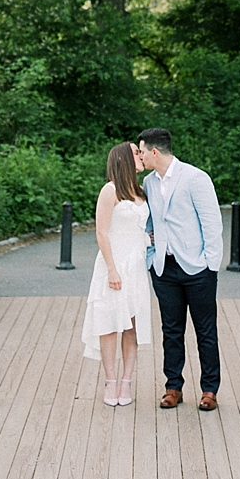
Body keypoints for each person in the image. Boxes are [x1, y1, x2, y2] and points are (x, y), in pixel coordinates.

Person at [138, 127, 223, 411]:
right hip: (164, 269)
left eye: (141, 151)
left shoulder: (195, 178)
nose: (139, 156)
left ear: (154, 151)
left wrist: (210, 265)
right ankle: (173, 386)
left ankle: (209, 389)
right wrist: (151, 256)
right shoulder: (149, 183)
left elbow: (212, 223)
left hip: (197, 268)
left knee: (205, 330)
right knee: (171, 330)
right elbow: (150, 222)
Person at [81, 142, 153, 406]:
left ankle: (127, 381)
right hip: (113, 265)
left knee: (132, 326)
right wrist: (112, 269)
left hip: (136, 267)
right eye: (136, 152)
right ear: (123, 158)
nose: (141, 155)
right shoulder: (110, 190)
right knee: (110, 325)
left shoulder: (142, 192)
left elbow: (136, 228)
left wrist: (148, 238)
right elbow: (102, 232)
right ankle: (110, 380)